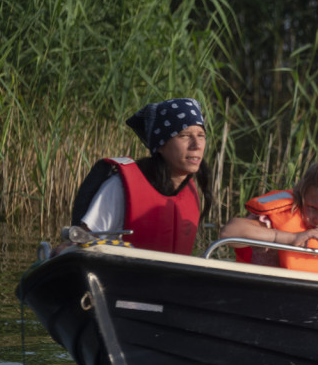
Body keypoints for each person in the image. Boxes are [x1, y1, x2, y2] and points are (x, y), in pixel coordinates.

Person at [68, 97, 213, 255]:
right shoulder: (119, 188)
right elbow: (82, 246)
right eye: (184, 135)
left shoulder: (190, 192)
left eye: (201, 135)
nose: (197, 145)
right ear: (161, 145)